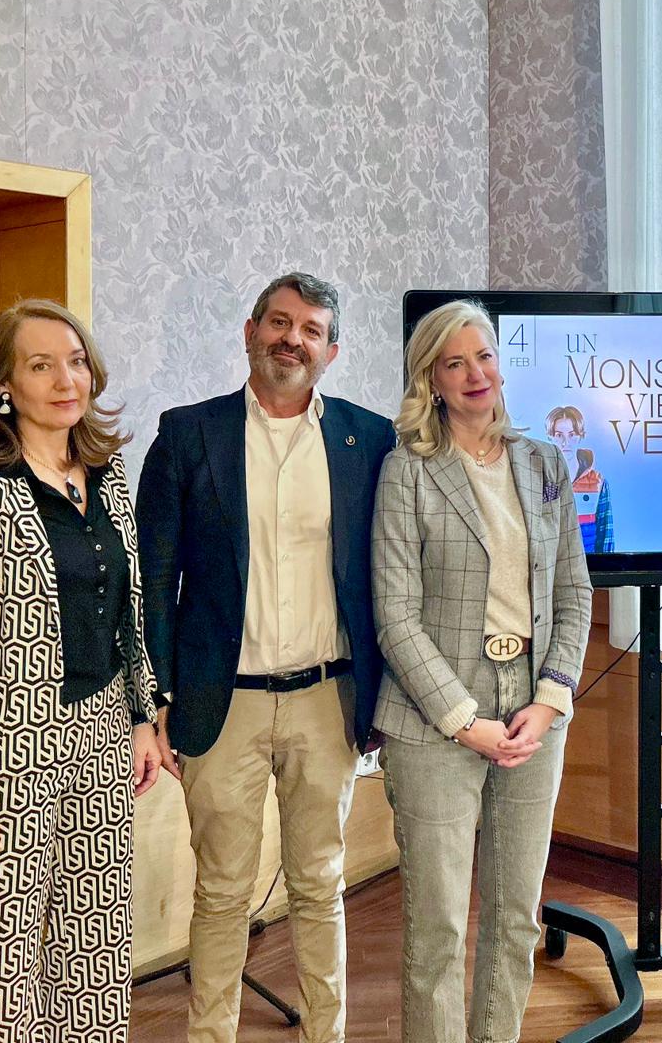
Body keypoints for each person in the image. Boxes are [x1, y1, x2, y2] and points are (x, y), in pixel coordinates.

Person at [136, 273, 394, 1043]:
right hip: (221, 701)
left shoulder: (369, 440)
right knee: (221, 892)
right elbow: (154, 580)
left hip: (328, 699)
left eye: (311, 330)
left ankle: (326, 1034)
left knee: (319, 884)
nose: (293, 339)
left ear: (331, 351)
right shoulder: (189, 434)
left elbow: (388, 576)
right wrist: (156, 699)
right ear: (250, 332)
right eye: (280, 323)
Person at [0, 299, 162, 1042]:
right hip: (4, 753)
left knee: (96, 953)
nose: (65, 380)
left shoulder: (107, 475)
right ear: (4, 384)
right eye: (41, 365)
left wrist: (142, 719)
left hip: (104, 739)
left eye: (76, 362)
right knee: (3, 967)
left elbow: (129, 611)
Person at [372, 299, 591, 1043]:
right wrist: (466, 722)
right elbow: (396, 617)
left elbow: (573, 592)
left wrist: (551, 699)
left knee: (515, 918)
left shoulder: (545, 463)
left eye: (485, 356)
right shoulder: (408, 472)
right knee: (437, 930)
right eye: (454, 362)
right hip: (436, 719)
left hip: (532, 712)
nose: (475, 374)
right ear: (430, 380)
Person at [545, 403, 614, 552]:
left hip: (588, 563)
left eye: (572, 435)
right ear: (550, 437)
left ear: (581, 436)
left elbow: (606, 536)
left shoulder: (599, 483)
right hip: (551, 563)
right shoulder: (541, 480)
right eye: (559, 435)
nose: (565, 442)